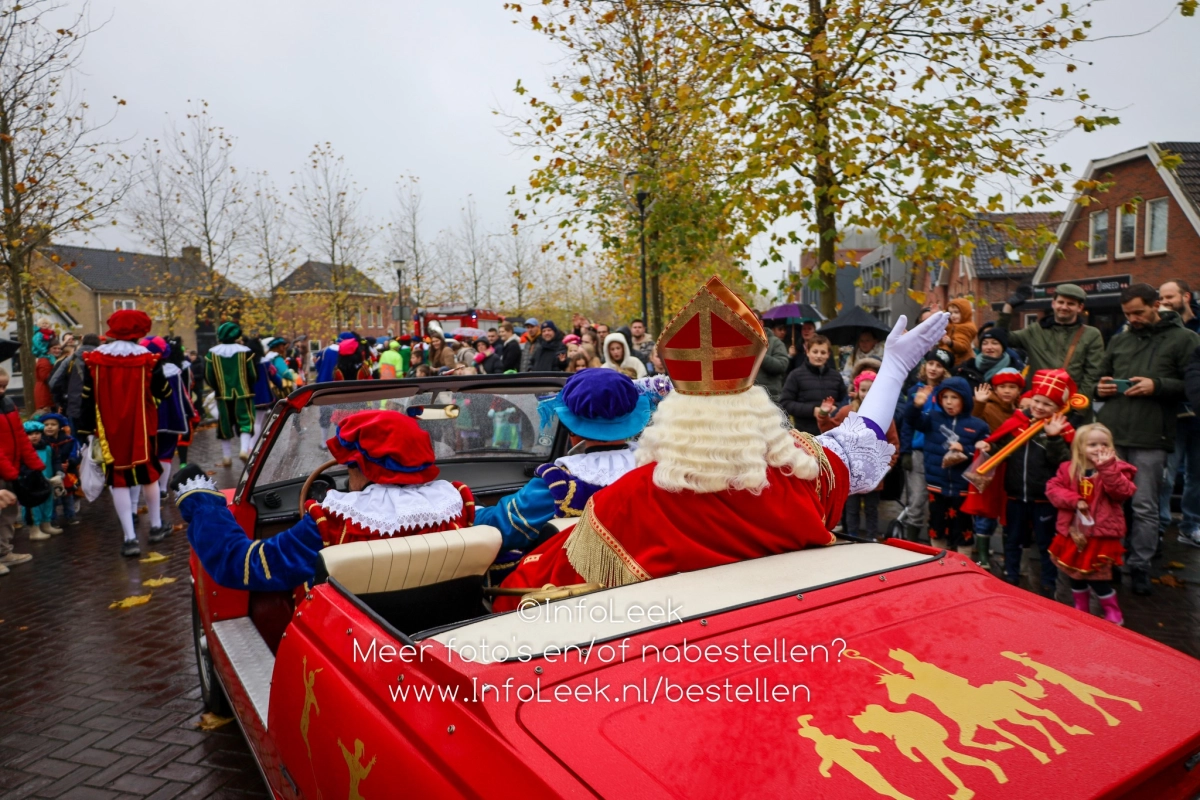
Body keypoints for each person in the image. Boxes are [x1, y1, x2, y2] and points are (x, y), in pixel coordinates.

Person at [492, 276, 950, 611]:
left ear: (672, 419)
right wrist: (893, 368)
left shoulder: (626, 501)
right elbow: (861, 446)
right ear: (755, 412)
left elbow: (527, 592)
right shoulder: (800, 473)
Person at [172, 409, 475, 590]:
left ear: (363, 467)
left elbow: (247, 565)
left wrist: (201, 501)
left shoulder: (334, 522)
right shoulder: (454, 506)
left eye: (349, 467)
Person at [476, 369, 652, 578]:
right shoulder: (658, 472)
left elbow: (502, 526)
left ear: (573, 430)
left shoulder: (557, 483)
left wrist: (471, 508)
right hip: (649, 578)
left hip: (574, 588)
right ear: (630, 421)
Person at [1095, 283, 1200, 595]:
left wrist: (1157, 386)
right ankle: (1110, 561)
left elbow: (1192, 384)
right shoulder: (1120, 339)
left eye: (1138, 312)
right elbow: (1099, 376)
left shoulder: (1185, 339)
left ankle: (1140, 566)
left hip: (1153, 434)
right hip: (1113, 432)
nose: (1133, 319)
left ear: (1156, 305)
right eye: (1128, 314)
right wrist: (1099, 389)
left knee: (1144, 505)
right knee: (1108, 503)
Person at [972, 370, 1075, 595]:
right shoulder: (1019, 422)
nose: (1039, 407)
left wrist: (1054, 437)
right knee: (1012, 538)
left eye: (1047, 404)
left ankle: (1048, 582)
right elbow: (1004, 449)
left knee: (1047, 542)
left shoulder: (1061, 430)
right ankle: (1011, 575)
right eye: (1037, 401)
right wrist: (990, 447)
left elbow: (1064, 463)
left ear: (1058, 408)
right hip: (1015, 494)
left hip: (1043, 498)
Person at [80, 310, 172, 556]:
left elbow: (87, 398)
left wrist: (85, 429)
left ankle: (130, 538)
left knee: (118, 480)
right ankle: (155, 526)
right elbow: (163, 391)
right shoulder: (149, 359)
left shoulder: (95, 360)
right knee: (149, 476)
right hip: (141, 429)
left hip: (109, 432)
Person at [1046, 423, 1135, 625]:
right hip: (1073, 534)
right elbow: (1053, 489)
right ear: (1079, 447)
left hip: (1100, 536)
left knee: (1099, 579)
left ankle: (1113, 612)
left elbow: (1122, 492)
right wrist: (1074, 499)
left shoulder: (1120, 469)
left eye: (1104, 444)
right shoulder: (1068, 469)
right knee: (1075, 576)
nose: (1098, 448)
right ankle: (1081, 610)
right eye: (1092, 444)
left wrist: (1107, 469)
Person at [906, 376, 988, 555]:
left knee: (963, 529)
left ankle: (962, 564)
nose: (949, 402)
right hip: (936, 486)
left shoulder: (977, 426)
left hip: (963, 489)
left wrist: (965, 449)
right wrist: (916, 405)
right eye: (945, 397)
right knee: (936, 526)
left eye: (955, 397)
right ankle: (938, 562)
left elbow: (985, 453)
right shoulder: (932, 418)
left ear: (965, 399)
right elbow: (911, 421)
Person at [818, 369, 899, 540]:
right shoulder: (847, 412)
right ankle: (851, 536)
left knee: (871, 509)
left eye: (871, 390)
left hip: (872, 477)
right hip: (850, 475)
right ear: (856, 390)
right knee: (851, 508)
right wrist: (824, 415)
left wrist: (885, 467)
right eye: (863, 390)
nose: (866, 394)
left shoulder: (884, 417)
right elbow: (830, 431)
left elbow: (893, 443)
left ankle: (871, 538)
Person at [997, 282, 1105, 403]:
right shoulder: (1035, 331)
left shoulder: (1091, 335)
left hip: (1070, 406)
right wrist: (1008, 308)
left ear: (1080, 307)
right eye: (1060, 302)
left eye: (1071, 304)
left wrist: (1078, 410)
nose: (1064, 307)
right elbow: (1001, 339)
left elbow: (1091, 376)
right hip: (1037, 407)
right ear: (1053, 304)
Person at [967, 368, 1025, 568]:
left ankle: (1000, 554)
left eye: (1012, 387)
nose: (1007, 391)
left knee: (1005, 511)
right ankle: (982, 554)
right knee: (986, 511)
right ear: (995, 389)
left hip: (1013, 466)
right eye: (1002, 387)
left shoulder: (1023, 409)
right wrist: (979, 404)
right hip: (991, 465)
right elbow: (973, 423)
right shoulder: (987, 406)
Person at [1157, 280, 1200, 549]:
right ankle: (1159, 526)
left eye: (1169, 296)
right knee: (1166, 475)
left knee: (1197, 475)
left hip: (1199, 414)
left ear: (1185, 296)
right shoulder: (1158, 329)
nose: (1164, 302)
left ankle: (1191, 525)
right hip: (1170, 413)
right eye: (1160, 298)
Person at [895, 348, 952, 541]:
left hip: (939, 453)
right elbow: (907, 424)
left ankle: (935, 541)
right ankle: (912, 539)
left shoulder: (948, 394)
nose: (934, 368)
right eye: (931, 363)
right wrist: (906, 451)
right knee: (917, 499)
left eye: (939, 365)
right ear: (925, 365)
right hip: (917, 451)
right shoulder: (914, 390)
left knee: (936, 501)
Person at [0, 368, 42, 575]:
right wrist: (10, 472)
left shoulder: (8, 404)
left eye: (5, 386)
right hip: (5, 470)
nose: (2, 390)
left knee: (8, 513)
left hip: (11, 469)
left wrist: (35, 465)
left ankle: (3, 551)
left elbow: (20, 436)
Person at [205, 322, 259, 465]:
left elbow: (208, 375)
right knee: (245, 421)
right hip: (243, 393)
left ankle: (227, 457)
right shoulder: (245, 351)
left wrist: (218, 388)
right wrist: (248, 384)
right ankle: (243, 450)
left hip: (223, 395)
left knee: (225, 424)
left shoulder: (212, 353)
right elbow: (252, 374)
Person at [780, 335, 846, 436]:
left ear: (828, 354)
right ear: (807, 352)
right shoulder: (796, 375)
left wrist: (835, 408)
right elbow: (785, 403)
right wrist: (812, 410)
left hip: (832, 432)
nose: (819, 356)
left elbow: (845, 401)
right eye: (815, 352)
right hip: (806, 433)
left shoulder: (836, 376)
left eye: (823, 352)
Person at [21, 420, 62, 540]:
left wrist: (58, 472)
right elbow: (22, 467)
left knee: (47, 503)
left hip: (48, 481)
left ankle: (46, 524)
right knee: (33, 506)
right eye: (30, 434)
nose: (34, 436)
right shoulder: (23, 450)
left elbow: (56, 461)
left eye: (37, 433)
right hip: (31, 483)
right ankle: (34, 529)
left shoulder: (48, 447)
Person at [39, 413, 80, 528]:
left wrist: (70, 462)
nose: (49, 427)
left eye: (53, 424)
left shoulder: (69, 440)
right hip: (49, 473)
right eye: (46, 424)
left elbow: (76, 453)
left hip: (67, 473)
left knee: (68, 495)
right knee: (51, 498)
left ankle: (70, 516)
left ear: (60, 426)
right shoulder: (41, 443)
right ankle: (52, 519)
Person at [956, 328, 1023, 389]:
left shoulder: (1013, 369)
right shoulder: (968, 367)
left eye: (994, 343)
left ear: (1003, 347)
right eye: (985, 343)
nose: (989, 347)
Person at [755, 320, 792, 402]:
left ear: (760, 323)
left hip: (769, 398)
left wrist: (759, 355)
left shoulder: (775, 342)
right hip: (744, 398)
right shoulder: (738, 342)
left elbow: (781, 366)